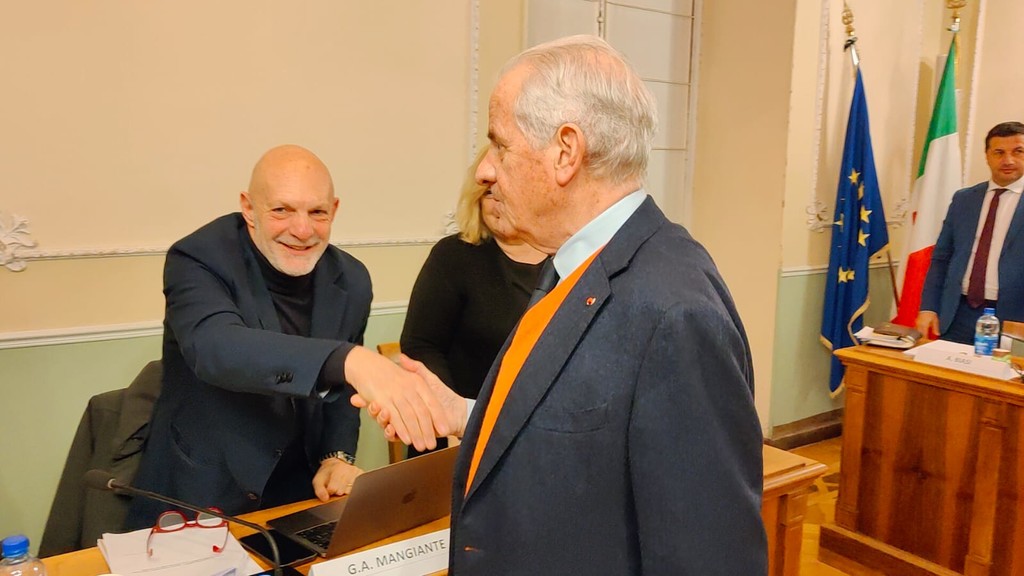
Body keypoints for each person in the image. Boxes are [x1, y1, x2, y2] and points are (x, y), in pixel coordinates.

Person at [359, 36, 766, 574]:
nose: (484, 170)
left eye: (500, 146)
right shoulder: (575, 263)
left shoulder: (675, 312)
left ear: (566, 151)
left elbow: (708, 557)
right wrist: (464, 413)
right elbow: (580, 438)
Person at [127, 145, 449, 528]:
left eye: (317, 213)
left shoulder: (352, 279)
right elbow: (215, 348)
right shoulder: (198, 258)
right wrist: (349, 359)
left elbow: (342, 392)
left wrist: (336, 457)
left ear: (335, 210)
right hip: (198, 494)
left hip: (299, 499)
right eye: (282, 210)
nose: (302, 230)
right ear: (248, 208)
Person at [401, 148, 546, 401]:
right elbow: (421, 346)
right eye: (488, 193)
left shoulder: (563, 255)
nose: (498, 201)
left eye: (508, 190)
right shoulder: (453, 255)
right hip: (465, 414)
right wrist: (454, 410)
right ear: (476, 199)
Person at [917, 122, 1024, 343]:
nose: (1008, 160)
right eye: (999, 152)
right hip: (957, 314)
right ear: (987, 156)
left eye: (1018, 151)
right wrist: (928, 307)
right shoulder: (964, 199)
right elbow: (941, 258)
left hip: (1015, 320)